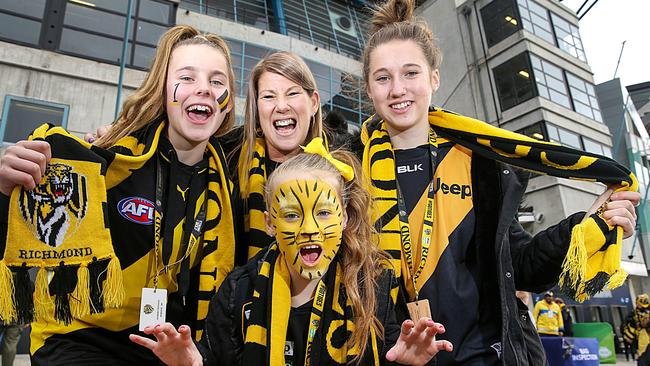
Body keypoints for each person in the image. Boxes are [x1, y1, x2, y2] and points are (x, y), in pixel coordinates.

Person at [359, 0, 640, 364]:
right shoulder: (351, 173)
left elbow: (520, 265)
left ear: (434, 78)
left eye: (410, 73)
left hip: (486, 357)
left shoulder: (480, 162)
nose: (398, 89)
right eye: (383, 78)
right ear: (369, 88)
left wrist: (588, 226)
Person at [0, 25, 238, 365]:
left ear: (228, 104)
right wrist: (4, 187)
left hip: (160, 343)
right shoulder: (107, 159)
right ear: (161, 90)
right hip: (75, 337)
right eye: (187, 77)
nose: (204, 89)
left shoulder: (227, 184)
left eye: (217, 82)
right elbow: (25, 231)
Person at [130, 140, 453, 365]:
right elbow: (213, 356)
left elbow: (393, 352)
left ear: (343, 215)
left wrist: (411, 363)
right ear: (270, 223)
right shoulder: (237, 292)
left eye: (324, 213)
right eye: (293, 215)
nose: (310, 229)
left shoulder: (375, 287)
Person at [223, 51, 326, 260]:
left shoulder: (338, 171)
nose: (281, 106)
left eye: (292, 93)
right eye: (269, 96)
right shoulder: (226, 161)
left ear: (313, 103)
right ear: (257, 108)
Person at [623, 294, 650, 360]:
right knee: (642, 352)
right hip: (640, 335)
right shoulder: (634, 313)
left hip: (645, 334)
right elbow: (627, 321)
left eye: (639, 304)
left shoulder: (647, 312)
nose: (638, 305)